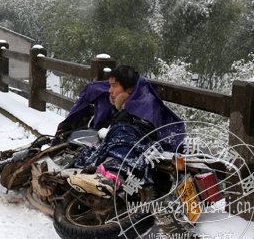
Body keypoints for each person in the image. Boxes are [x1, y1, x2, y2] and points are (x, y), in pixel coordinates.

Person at [57, 65, 185, 198]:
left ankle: (112, 176)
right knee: (87, 151)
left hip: (144, 156)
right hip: (136, 157)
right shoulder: (129, 103)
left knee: (122, 131)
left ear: (129, 88)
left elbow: (139, 135)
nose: (110, 91)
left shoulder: (145, 105)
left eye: (114, 86)